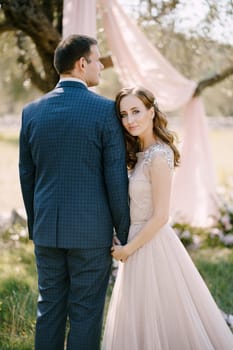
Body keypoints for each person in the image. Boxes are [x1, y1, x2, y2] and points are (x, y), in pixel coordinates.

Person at [19, 34, 130, 350]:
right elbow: (115, 179)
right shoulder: (106, 111)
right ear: (82, 64)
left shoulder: (31, 111)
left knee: (49, 308)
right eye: (98, 61)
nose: (100, 69)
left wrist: (35, 225)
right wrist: (124, 231)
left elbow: (26, 176)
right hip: (90, 233)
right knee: (85, 313)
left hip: (47, 231)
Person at [102, 87, 233, 350]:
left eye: (136, 111)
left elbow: (161, 216)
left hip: (151, 245)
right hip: (135, 242)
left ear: (152, 112)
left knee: (161, 314)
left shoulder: (159, 155)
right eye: (124, 114)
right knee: (138, 314)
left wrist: (128, 248)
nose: (130, 120)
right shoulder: (137, 156)